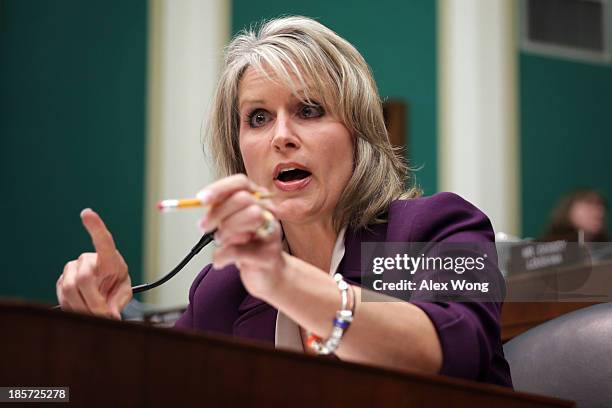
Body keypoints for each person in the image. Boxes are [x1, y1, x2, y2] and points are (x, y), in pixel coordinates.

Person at [56, 16, 512, 387]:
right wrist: (105, 334)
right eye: (257, 118)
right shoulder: (225, 288)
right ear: (239, 154)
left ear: (359, 133)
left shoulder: (441, 227)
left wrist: (282, 279)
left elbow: (450, 353)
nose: (281, 137)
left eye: (308, 110)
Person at [540, 188, 608, 242]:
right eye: (589, 204)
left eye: (601, 206)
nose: (600, 212)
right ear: (568, 209)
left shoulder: (607, 247)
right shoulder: (546, 248)